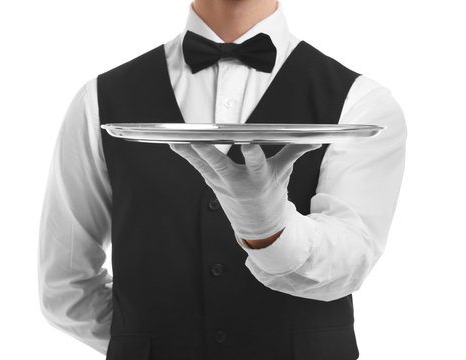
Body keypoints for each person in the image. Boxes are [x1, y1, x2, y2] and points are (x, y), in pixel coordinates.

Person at [38, 0, 407, 359]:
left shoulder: (361, 103)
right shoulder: (99, 100)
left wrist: (269, 228)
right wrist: (142, 345)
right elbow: (66, 285)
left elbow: (349, 263)